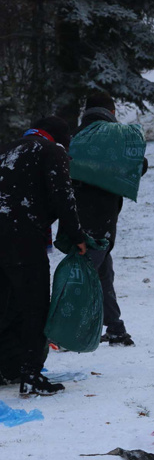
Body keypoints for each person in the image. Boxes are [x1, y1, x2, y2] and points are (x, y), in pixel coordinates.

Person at [0, 116, 86, 395]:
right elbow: (63, 195)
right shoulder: (50, 151)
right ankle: (30, 374)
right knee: (34, 306)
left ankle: (8, 367)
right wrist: (76, 237)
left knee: (6, 305)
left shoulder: (7, 150)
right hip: (24, 240)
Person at [70, 92, 146, 346]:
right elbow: (140, 164)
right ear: (111, 111)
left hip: (77, 213)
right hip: (103, 217)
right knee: (87, 273)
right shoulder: (116, 136)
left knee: (102, 272)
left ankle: (115, 328)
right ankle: (67, 332)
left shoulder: (76, 135)